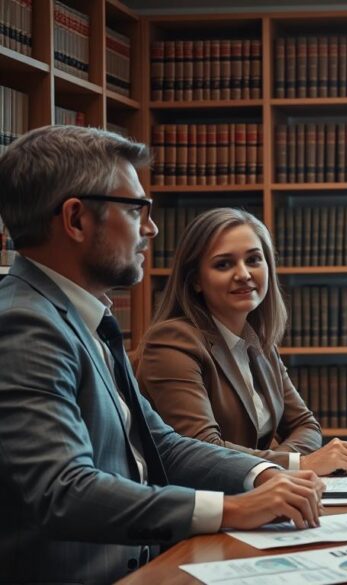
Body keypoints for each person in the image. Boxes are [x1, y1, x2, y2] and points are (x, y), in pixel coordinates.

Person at [0, 126, 326, 585]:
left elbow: (162, 443)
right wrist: (231, 508)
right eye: (136, 209)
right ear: (75, 220)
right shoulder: (27, 325)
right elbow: (64, 492)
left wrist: (260, 474)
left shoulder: (80, 317)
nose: (150, 228)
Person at [134, 208, 347, 476]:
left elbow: (306, 425)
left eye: (254, 260)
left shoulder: (258, 344)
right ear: (196, 280)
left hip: (255, 496)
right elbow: (202, 449)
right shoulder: (172, 342)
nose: (244, 274)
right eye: (224, 264)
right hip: (202, 504)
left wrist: (283, 469)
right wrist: (297, 464)